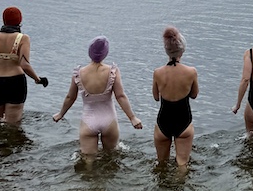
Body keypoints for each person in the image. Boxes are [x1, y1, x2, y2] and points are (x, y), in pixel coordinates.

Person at [52, 36, 143, 157]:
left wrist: (60, 114)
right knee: (111, 156)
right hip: (109, 120)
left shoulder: (79, 73)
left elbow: (70, 97)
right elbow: (120, 96)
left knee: (87, 160)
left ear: (89, 52)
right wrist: (132, 118)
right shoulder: (112, 71)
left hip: (88, 121)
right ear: (106, 53)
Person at [0, 6, 47, 127]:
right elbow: (24, 64)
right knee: (13, 124)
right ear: (20, 21)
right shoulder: (23, 38)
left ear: (4, 20)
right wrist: (38, 79)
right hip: (15, 82)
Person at [152, 26, 199, 168]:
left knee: (161, 164)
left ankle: (161, 189)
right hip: (183, 121)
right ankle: (179, 189)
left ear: (166, 49)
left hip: (163, 122)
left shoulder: (158, 73)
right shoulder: (191, 72)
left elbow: (156, 97)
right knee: (182, 164)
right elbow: (194, 95)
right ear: (182, 49)